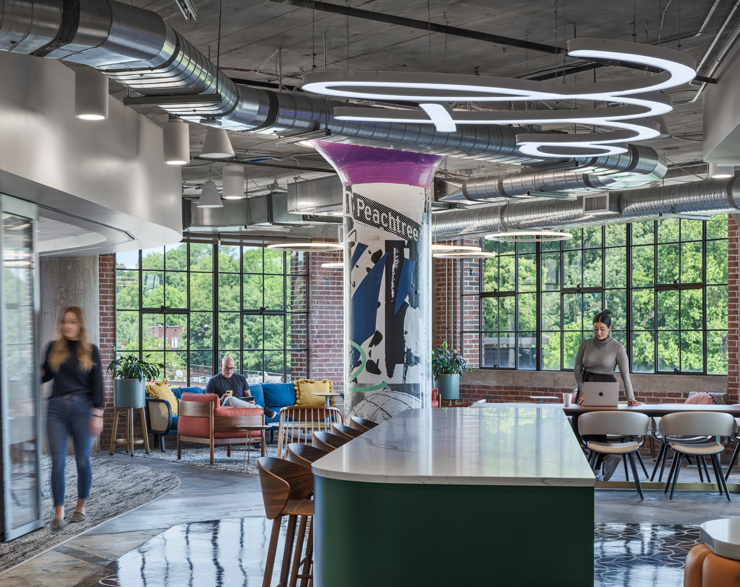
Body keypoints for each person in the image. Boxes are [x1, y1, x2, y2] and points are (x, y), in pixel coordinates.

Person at [42, 306, 103, 530]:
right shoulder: (54, 348)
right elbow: (45, 374)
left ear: (80, 324)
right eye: (65, 321)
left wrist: (98, 414)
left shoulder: (90, 350)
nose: (68, 325)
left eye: (73, 321)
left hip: (83, 409)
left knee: (82, 461)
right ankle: (58, 513)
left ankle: (80, 508)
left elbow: (98, 384)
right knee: (57, 462)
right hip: (56, 409)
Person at [574, 309, 641, 481]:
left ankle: (595, 470)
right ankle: (606, 458)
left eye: (602, 329)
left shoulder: (617, 347)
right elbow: (577, 369)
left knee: (597, 427)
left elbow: (625, 375)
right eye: (596, 329)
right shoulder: (586, 344)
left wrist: (631, 398)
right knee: (580, 426)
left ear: (610, 328)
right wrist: (582, 390)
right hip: (586, 387)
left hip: (606, 389)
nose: (599, 332)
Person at [206, 356, 276, 419]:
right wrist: (221, 400)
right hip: (224, 410)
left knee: (231, 399)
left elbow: (248, 396)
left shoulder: (241, 378)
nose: (229, 371)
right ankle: (262, 409)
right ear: (221, 366)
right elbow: (208, 403)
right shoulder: (213, 381)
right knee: (229, 399)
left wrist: (251, 402)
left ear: (234, 366)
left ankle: (258, 409)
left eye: (231, 368)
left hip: (241, 410)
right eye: (227, 368)